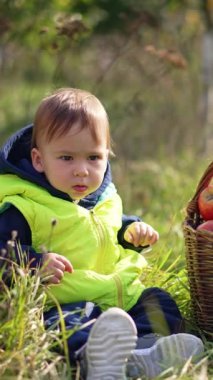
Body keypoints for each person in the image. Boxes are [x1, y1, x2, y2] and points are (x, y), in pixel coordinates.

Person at [0, 88, 204, 379]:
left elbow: (108, 226)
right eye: (67, 158)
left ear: (107, 155)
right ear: (38, 160)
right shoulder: (24, 205)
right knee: (68, 321)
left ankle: (146, 351)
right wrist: (34, 263)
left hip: (118, 294)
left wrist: (130, 230)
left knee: (158, 303)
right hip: (66, 298)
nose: (82, 171)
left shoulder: (104, 196)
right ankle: (96, 356)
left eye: (94, 158)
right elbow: (4, 250)